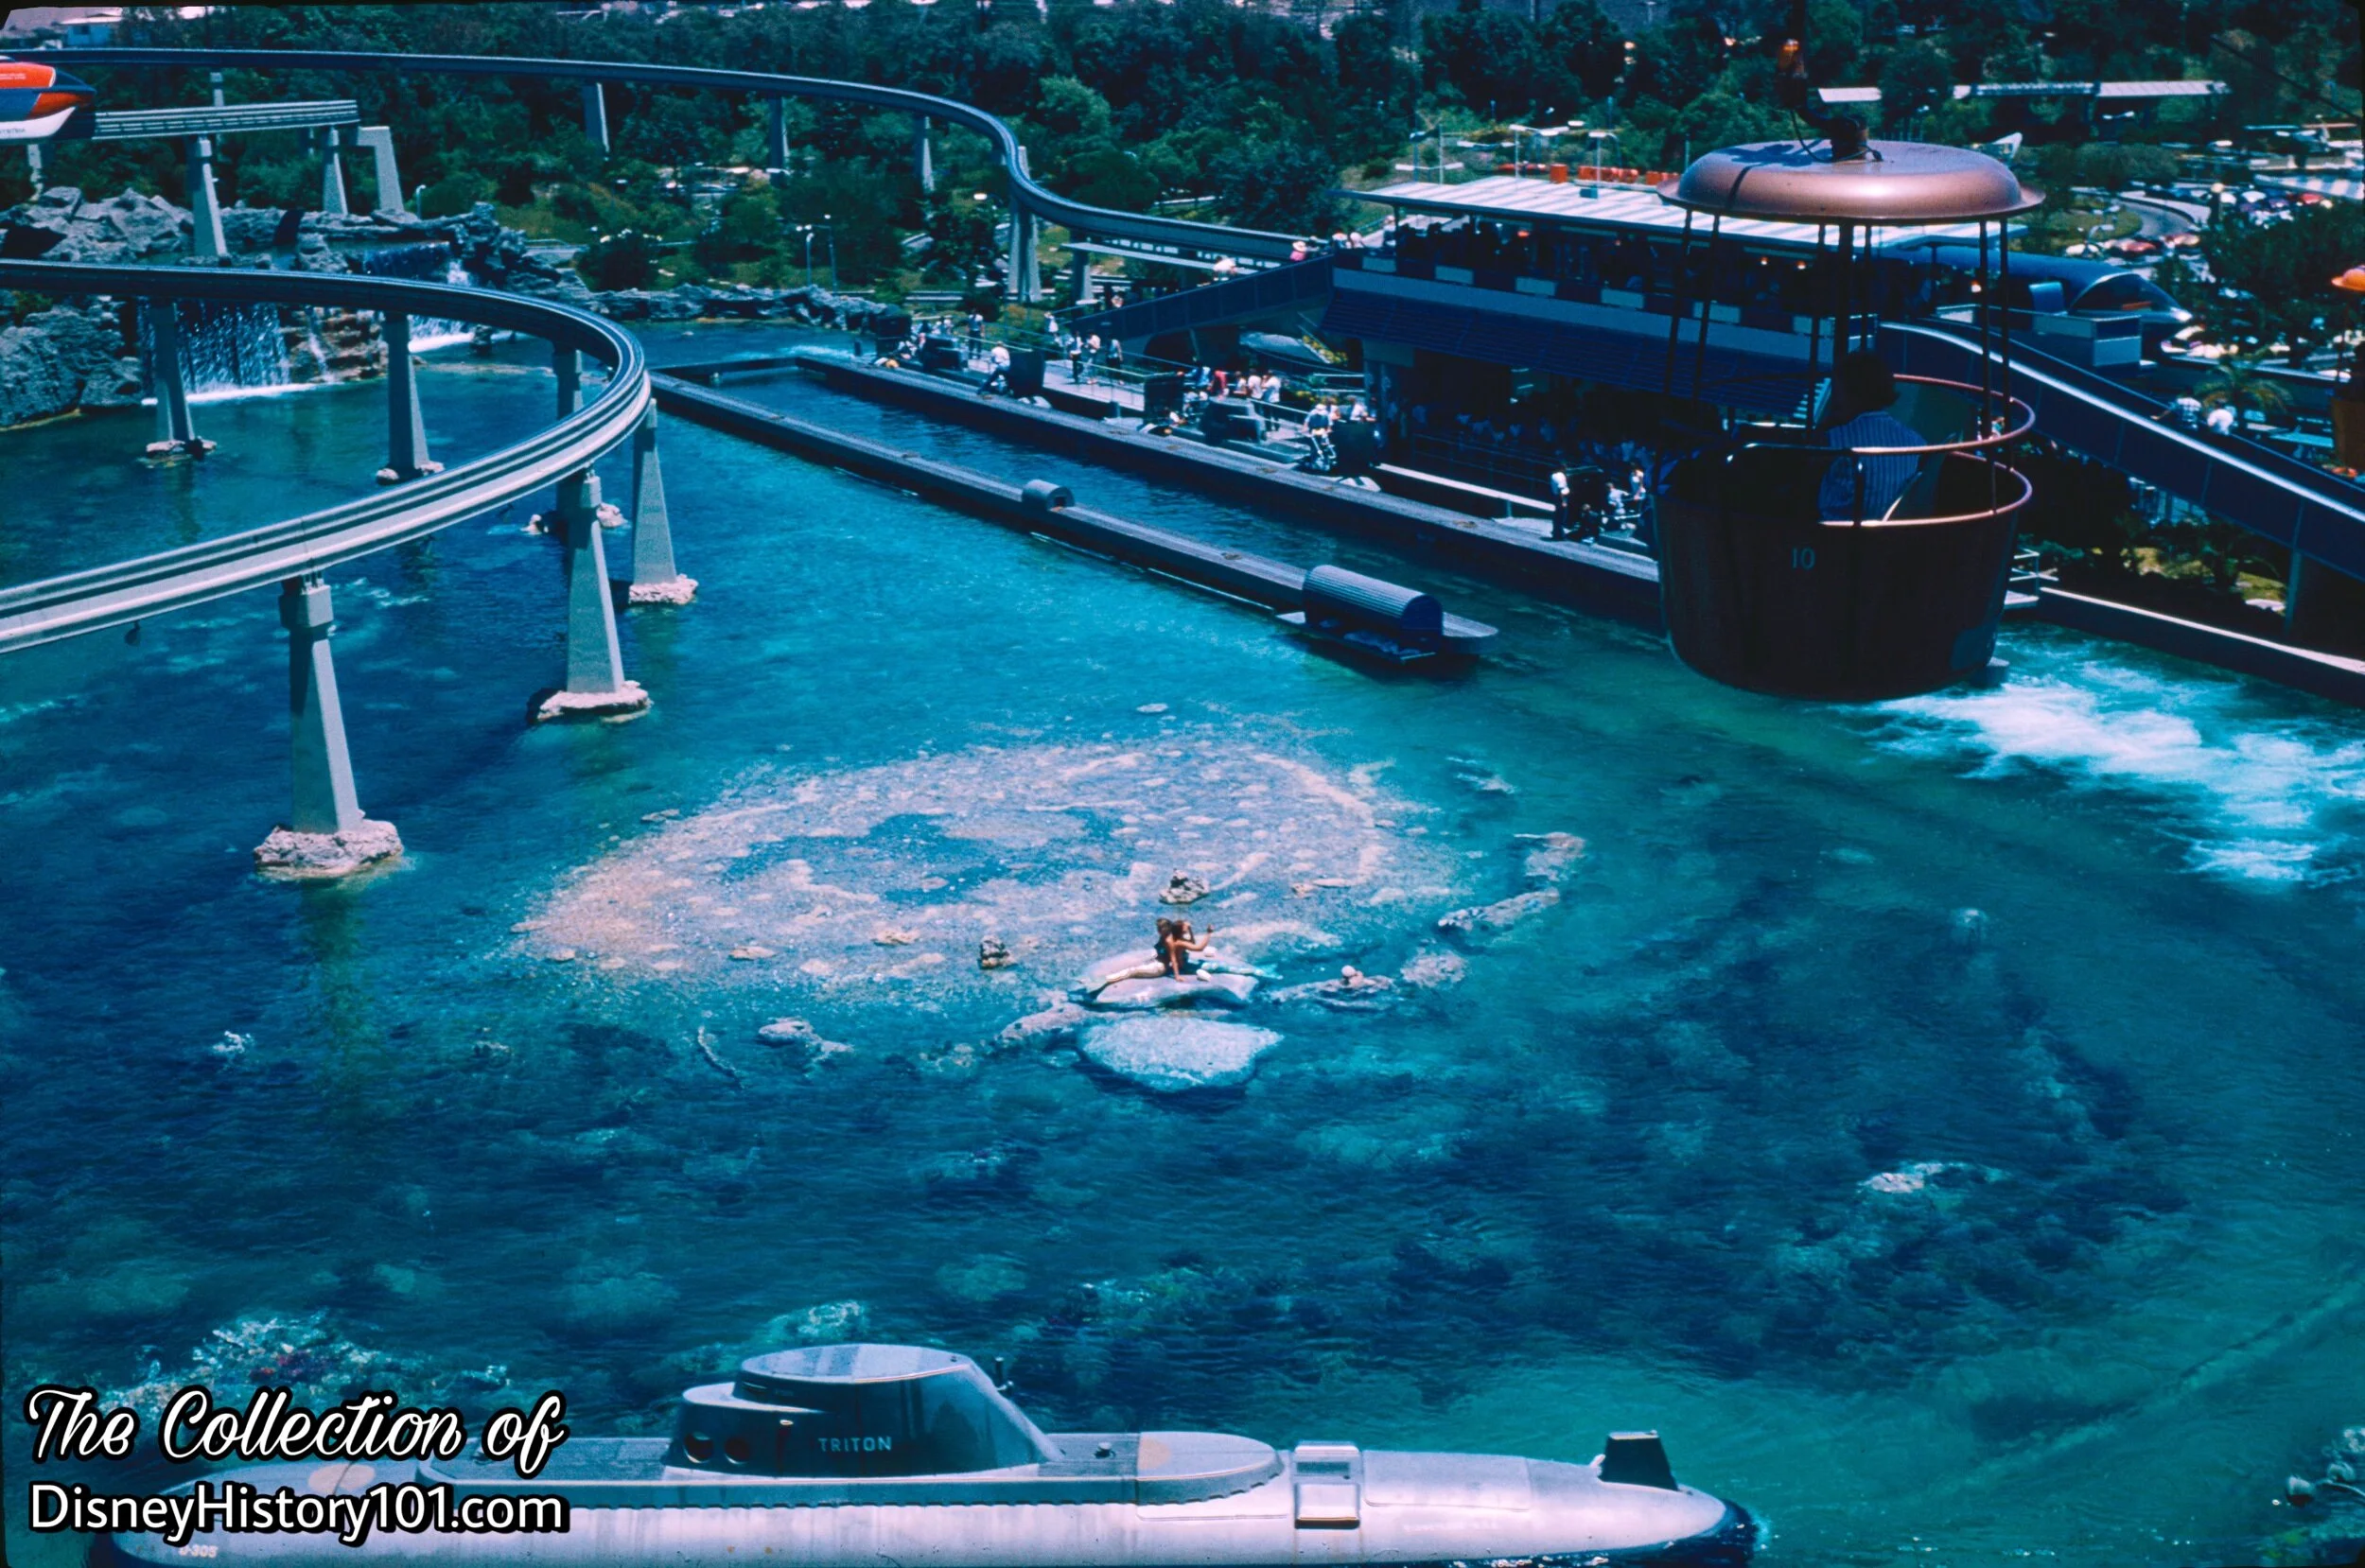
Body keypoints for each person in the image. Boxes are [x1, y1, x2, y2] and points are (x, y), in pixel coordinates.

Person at [1816, 350, 1923, 520]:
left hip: (1835, 534)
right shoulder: (1917, 443)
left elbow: (1806, 481)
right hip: (1891, 533)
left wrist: (1824, 426)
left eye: (1838, 392)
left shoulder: (1835, 438)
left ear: (1853, 393)